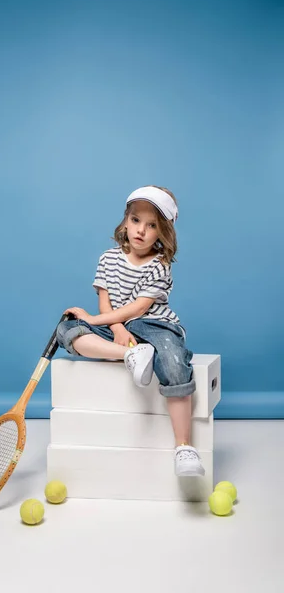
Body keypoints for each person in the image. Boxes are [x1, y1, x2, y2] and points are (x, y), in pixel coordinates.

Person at [56, 185, 205, 477]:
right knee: (67, 329)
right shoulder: (107, 259)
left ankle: (184, 447)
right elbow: (105, 299)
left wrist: (97, 320)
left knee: (173, 364)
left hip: (155, 325)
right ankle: (131, 354)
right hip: (118, 329)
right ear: (125, 220)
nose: (141, 231)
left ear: (163, 232)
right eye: (136, 220)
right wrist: (115, 330)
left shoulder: (160, 265)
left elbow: (138, 309)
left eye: (152, 226)